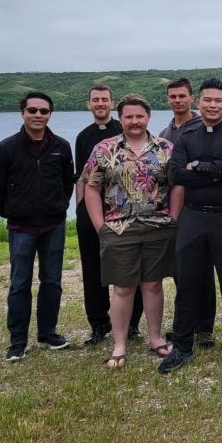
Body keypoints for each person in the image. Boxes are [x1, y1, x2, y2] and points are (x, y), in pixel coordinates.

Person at [159, 77, 222, 372]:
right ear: (198, 103)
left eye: (218, 101)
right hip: (194, 217)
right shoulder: (186, 138)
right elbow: (176, 175)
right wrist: (218, 169)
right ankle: (183, 346)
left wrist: (198, 166)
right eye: (208, 100)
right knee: (188, 283)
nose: (213, 105)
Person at [82, 94, 178, 369]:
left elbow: (177, 185)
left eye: (139, 116)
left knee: (153, 285)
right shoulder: (104, 149)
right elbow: (91, 187)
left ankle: (156, 338)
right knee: (123, 288)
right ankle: (120, 344)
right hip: (118, 228)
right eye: (128, 116)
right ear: (120, 118)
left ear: (148, 117)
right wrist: (100, 225)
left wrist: (174, 217)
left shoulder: (165, 148)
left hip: (157, 226)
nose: (134, 121)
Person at [0, 91, 74, 361]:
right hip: (21, 227)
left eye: (43, 111)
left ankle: (47, 333)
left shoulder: (61, 146)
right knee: (20, 283)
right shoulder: (6, 148)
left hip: (53, 225)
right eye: (32, 110)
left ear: (50, 114)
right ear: (22, 113)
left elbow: (67, 183)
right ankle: (18, 341)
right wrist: (11, 212)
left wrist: (58, 206)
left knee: (52, 281)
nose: (38, 115)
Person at [74, 84, 140, 347]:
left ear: (113, 105)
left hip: (123, 211)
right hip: (91, 211)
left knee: (129, 271)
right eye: (95, 100)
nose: (100, 103)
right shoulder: (82, 137)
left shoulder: (123, 130)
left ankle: (132, 324)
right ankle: (99, 323)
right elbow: (83, 177)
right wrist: (81, 209)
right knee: (93, 270)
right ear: (89, 104)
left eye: (104, 99)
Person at [159, 77, 215, 347]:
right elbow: (168, 174)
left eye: (182, 96)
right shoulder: (164, 133)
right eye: (173, 96)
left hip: (200, 205)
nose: (177, 100)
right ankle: (187, 322)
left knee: (203, 270)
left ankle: (205, 327)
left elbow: (206, 168)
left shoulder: (201, 126)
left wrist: (191, 169)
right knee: (182, 270)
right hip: (173, 209)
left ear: (192, 98)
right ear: (168, 99)